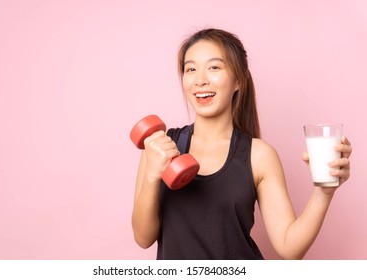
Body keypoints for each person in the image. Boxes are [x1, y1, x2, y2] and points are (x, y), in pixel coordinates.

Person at [131, 28, 352, 260]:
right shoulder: (160, 148)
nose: (200, 80)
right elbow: (143, 237)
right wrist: (152, 176)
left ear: (238, 80)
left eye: (214, 67)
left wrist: (324, 192)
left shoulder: (259, 156)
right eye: (191, 69)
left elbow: (289, 248)